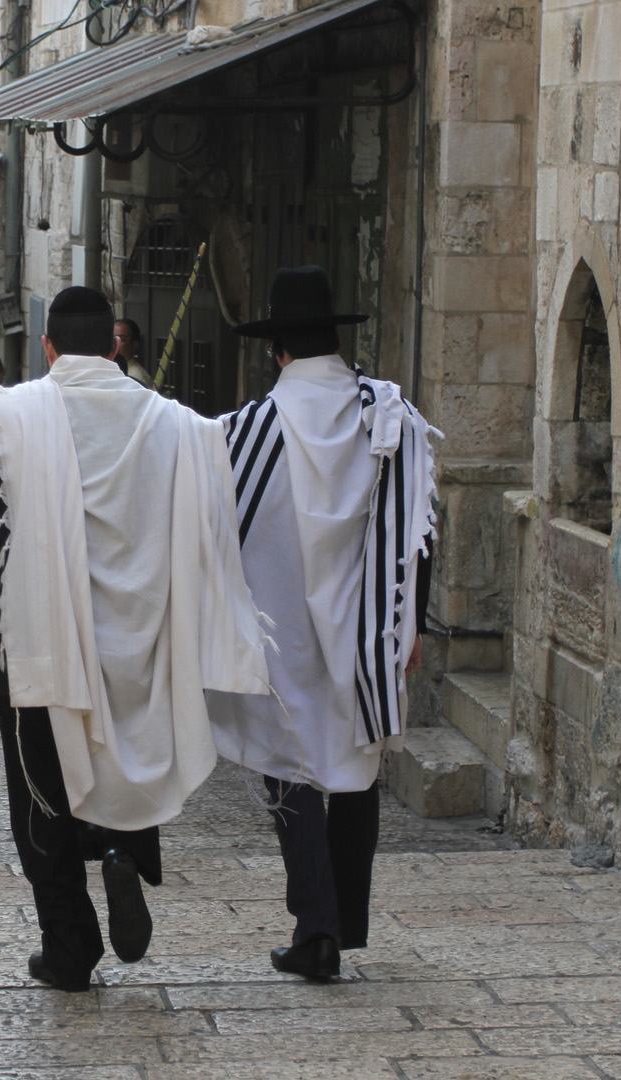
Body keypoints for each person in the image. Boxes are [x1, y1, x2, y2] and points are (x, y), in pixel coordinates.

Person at [0, 286, 270, 992]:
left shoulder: (7, 414)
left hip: (29, 635)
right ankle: (123, 847)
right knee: (124, 744)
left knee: (40, 793)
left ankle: (69, 947)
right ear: (116, 345)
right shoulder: (173, 423)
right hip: (136, 630)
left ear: (47, 347)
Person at [208, 266, 438, 982]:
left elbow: (212, 519)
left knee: (294, 768)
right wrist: (412, 623)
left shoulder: (249, 430)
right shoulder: (388, 413)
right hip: (368, 621)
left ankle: (317, 929)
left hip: (283, 627)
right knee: (356, 761)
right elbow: (418, 527)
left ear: (278, 351)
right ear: (334, 341)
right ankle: (344, 923)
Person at [112, 318, 153, 388]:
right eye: (112, 338)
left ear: (134, 345)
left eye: (122, 339)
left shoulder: (137, 377)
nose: (115, 343)